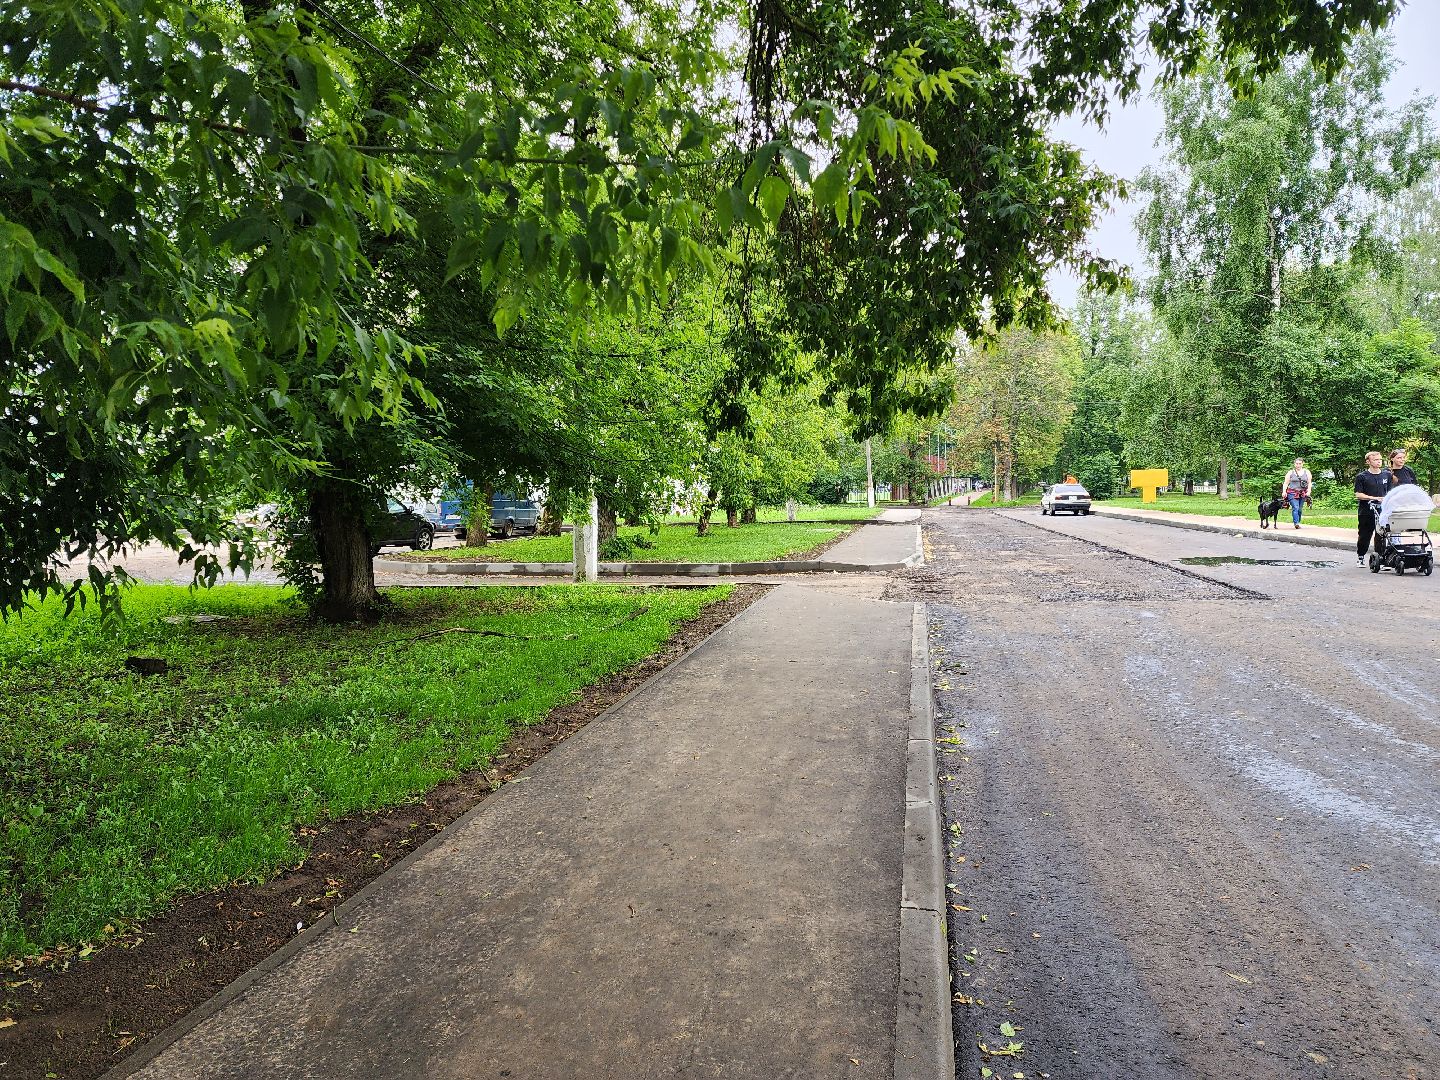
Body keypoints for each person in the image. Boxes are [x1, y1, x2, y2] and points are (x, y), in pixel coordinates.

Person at [1354, 451, 1392, 565]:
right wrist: (1374, 498)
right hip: (1366, 511)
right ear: (1368, 462)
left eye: (1380, 459)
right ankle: (1360, 557)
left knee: (1381, 535)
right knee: (1365, 535)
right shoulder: (1362, 476)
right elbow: (1358, 494)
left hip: (1382, 511)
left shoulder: (1386, 475)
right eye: (1375, 460)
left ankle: (1380, 559)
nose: (1379, 461)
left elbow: (1390, 492)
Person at [1281, 457, 1312, 530]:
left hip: (1302, 493)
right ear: (1294, 464)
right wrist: (1284, 491)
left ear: (1302, 464)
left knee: (1300, 509)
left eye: (1300, 463)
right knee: (1295, 507)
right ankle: (1296, 523)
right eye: (1297, 463)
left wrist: (1309, 491)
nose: (1298, 465)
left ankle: (1298, 521)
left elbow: (1309, 483)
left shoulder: (1307, 472)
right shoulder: (1290, 472)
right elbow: (1285, 483)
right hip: (1292, 493)